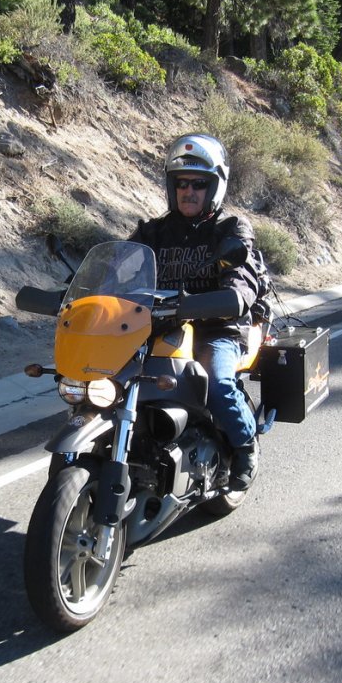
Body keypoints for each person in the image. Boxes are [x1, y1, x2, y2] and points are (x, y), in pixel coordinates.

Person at [129, 134, 272, 491]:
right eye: (181, 183)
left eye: (198, 184)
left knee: (217, 380)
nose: (188, 191)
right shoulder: (152, 232)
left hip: (219, 327)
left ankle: (245, 448)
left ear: (215, 186)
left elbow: (243, 281)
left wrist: (231, 298)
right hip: (159, 325)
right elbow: (122, 271)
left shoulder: (230, 230)